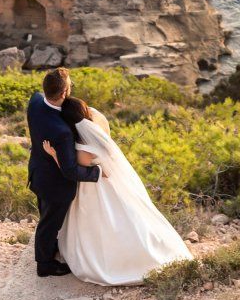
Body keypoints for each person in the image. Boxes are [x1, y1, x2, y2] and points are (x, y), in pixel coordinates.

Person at [51, 94, 193, 284]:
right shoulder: (98, 124)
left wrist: (54, 155)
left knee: (101, 223)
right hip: (111, 182)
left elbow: (76, 171)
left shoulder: (84, 148)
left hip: (94, 188)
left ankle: (119, 262)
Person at [27, 67, 100, 277]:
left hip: (38, 174)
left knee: (46, 217)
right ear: (63, 94)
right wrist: (95, 173)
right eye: (70, 86)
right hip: (55, 187)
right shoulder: (63, 132)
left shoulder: (35, 102)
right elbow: (70, 171)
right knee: (49, 224)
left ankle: (51, 249)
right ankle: (45, 265)